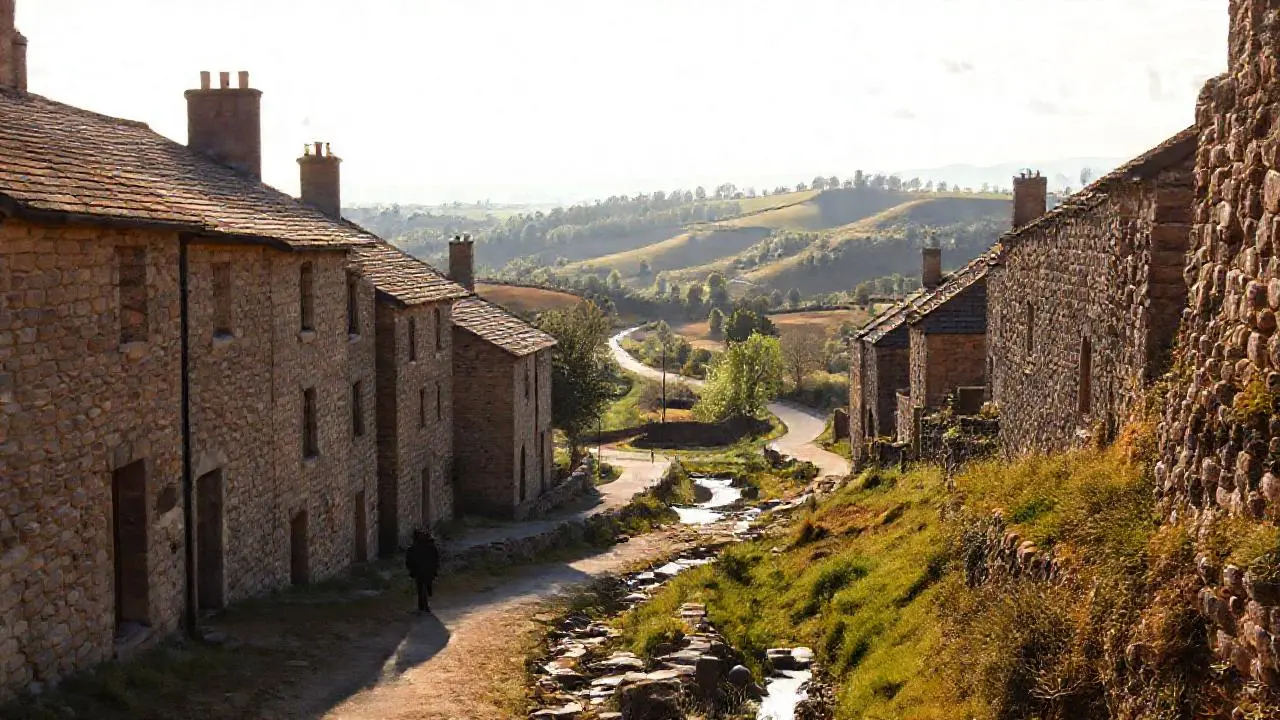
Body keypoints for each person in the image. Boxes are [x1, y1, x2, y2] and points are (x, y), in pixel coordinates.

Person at [405, 529, 440, 614]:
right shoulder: (432, 547)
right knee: (428, 586)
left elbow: (409, 562)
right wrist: (435, 570)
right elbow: (436, 560)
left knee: (420, 588)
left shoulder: (412, 549)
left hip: (418, 571)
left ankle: (421, 606)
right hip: (429, 571)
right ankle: (426, 605)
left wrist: (411, 571)